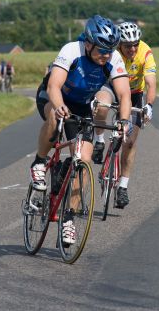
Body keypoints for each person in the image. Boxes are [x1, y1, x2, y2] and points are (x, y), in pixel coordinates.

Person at [31, 15, 132, 245]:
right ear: (88, 43)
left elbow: (124, 93)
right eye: (101, 50)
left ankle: (69, 219)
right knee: (55, 119)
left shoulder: (113, 58)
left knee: (83, 161)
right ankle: (39, 161)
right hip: (54, 97)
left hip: (82, 105)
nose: (105, 55)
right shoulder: (71, 50)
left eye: (109, 50)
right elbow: (53, 85)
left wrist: (123, 121)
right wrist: (59, 106)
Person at [92, 21, 157, 209]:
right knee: (101, 108)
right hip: (111, 88)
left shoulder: (145, 52)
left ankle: (122, 187)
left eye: (136, 44)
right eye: (128, 45)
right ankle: (99, 140)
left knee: (129, 141)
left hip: (135, 94)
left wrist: (149, 105)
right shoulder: (112, 52)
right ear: (120, 44)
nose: (133, 49)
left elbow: (151, 83)